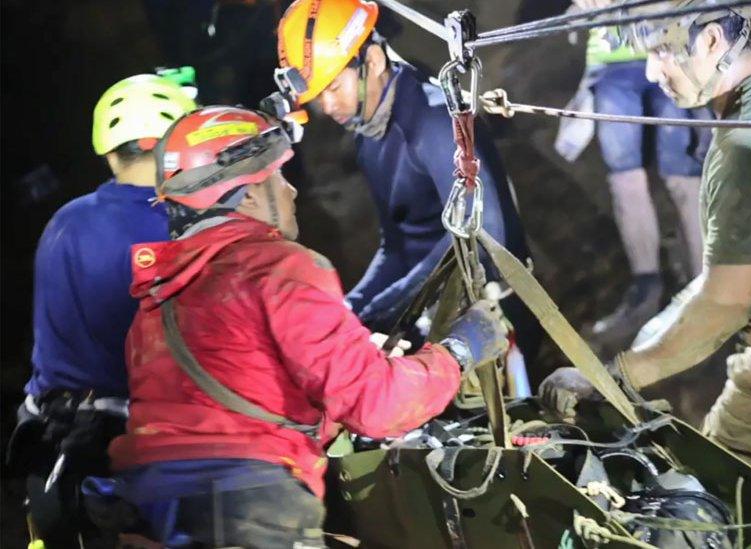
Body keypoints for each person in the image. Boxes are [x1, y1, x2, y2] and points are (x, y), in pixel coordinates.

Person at [94, 106, 508, 547]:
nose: (291, 191)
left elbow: (237, 407)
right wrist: (459, 351)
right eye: (278, 177)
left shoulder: (159, 300)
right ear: (248, 195)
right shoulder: (280, 268)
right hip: (248, 508)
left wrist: (360, 365)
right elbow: (379, 406)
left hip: (149, 509)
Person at [540, 1, 751, 488]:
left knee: (719, 501)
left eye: (662, 50)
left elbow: (724, 304)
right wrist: (639, 351)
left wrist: (614, 378)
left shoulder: (746, 148)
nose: (652, 71)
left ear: (710, 41)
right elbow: (723, 277)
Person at [276, 0, 541, 376]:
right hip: (431, 314)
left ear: (373, 61)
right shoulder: (369, 132)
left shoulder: (435, 122)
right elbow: (398, 244)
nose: (327, 106)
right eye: (318, 96)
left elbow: (483, 238)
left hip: (493, 319)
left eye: (333, 87)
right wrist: (354, 310)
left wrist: (387, 308)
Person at [5, 74, 196, 548]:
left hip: (51, 452)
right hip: (134, 464)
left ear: (109, 153)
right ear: (178, 147)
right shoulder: (182, 227)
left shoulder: (63, 221)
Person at [556, 0, 710, 352]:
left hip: (672, 49)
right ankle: (647, 290)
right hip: (611, 64)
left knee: (682, 172)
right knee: (625, 177)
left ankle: (708, 289)